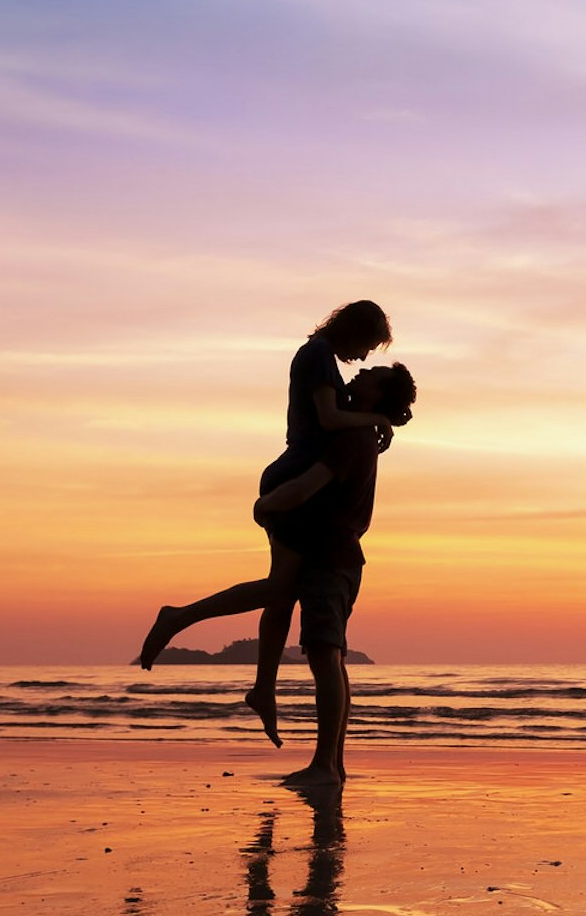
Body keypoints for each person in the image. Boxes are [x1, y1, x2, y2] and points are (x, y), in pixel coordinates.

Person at [136, 302, 400, 722]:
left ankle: (262, 688)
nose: (366, 358)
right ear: (353, 330)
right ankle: (180, 618)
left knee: (282, 593)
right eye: (368, 345)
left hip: (295, 478)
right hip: (295, 480)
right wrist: (377, 418)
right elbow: (329, 419)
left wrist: (373, 419)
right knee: (280, 591)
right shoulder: (316, 355)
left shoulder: (322, 358)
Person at [251, 363, 416, 789]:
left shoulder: (351, 439)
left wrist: (265, 504)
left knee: (325, 657)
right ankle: (332, 765)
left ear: (377, 395)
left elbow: (306, 487)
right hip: (339, 557)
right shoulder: (359, 433)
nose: (359, 373)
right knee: (332, 658)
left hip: (331, 558)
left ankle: (325, 765)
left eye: (372, 374)